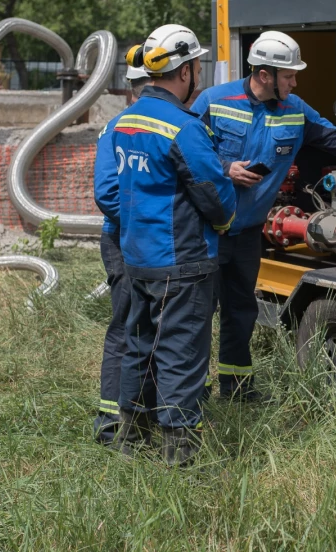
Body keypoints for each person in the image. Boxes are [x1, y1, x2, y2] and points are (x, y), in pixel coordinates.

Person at [192, 31, 336, 401]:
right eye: (289, 75)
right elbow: (186, 155)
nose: (296, 81)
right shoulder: (214, 101)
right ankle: (193, 393)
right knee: (198, 314)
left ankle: (236, 388)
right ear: (265, 74)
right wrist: (225, 168)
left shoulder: (295, 110)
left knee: (240, 313)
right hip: (205, 231)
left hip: (247, 235)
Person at [108, 24, 236, 466]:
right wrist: (225, 222)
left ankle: (130, 439)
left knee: (139, 348)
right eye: (197, 66)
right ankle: (178, 456)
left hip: (138, 259)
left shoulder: (125, 121)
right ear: (185, 71)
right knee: (180, 355)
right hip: (181, 264)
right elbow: (214, 193)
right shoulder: (183, 127)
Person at [91, 63, 151, 445]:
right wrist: (152, 222)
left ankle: (143, 411)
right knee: (126, 327)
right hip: (124, 240)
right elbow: (108, 194)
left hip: (153, 242)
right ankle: (110, 421)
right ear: (135, 92)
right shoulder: (117, 127)